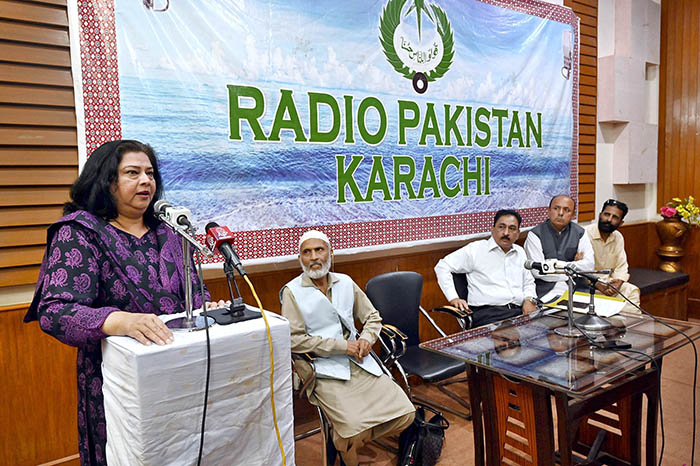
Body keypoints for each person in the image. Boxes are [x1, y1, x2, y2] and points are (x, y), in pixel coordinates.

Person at [24, 140, 225, 466]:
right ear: (107, 181)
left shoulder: (169, 232)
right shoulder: (80, 232)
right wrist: (121, 321)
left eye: (150, 173)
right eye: (132, 173)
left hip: (179, 373)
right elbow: (55, 310)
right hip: (116, 379)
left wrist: (208, 308)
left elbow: (193, 291)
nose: (146, 181)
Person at [280, 230, 415, 466]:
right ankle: (348, 449)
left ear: (330, 254)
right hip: (323, 368)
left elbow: (373, 317)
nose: (314, 257)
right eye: (307, 252)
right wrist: (343, 347)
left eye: (319, 250)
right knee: (351, 430)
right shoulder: (292, 292)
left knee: (406, 414)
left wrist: (367, 338)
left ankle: (344, 442)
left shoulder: (346, 282)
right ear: (300, 259)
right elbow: (294, 340)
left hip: (362, 362)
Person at [434, 209, 538, 328]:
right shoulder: (475, 249)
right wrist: (453, 298)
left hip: (519, 312)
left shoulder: (520, 252)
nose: (506, 232)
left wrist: (530, 299)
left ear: (518, 233)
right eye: (501, 227)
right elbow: (442, 266)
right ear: (492, 229)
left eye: (512, 228)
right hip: (489, 315)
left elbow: (528, 282)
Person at [524, 195, 594, 299]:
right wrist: (573, 268)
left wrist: (555, 266)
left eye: (566, 210)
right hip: (546, 290)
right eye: (556, 209)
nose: (560, 213)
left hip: (576, 287)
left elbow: (589, 266)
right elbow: (537, 271)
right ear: (549, 211)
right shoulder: (535, 234)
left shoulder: (580, 233)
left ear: (573, 214)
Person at [585, 199, 641, 310]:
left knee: (632, 291)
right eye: (606, 214)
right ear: (600, 215)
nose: (609, 220)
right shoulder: (584, 234)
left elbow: (621, 266)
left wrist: (618, 282)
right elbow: (579, 268)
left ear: (621, 223)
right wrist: (598, 284)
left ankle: (626, 326)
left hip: (609, 284)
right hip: (589, 284)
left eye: (615, 217)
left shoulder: (618, 237)